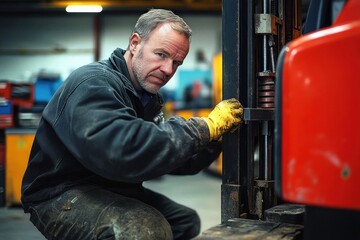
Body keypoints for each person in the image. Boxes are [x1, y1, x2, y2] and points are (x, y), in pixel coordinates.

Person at [21, 8, 243, 240]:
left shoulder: (145, 97)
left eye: (176, 62)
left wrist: (214, 139)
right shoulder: (94, 83)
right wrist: (201, 128)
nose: (169, 70)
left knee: (184, 222)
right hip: (61, 192)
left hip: (111, 185)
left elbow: (162, 156)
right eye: (161, 55)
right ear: (135, 43)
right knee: (144, 227)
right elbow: (121, 150)